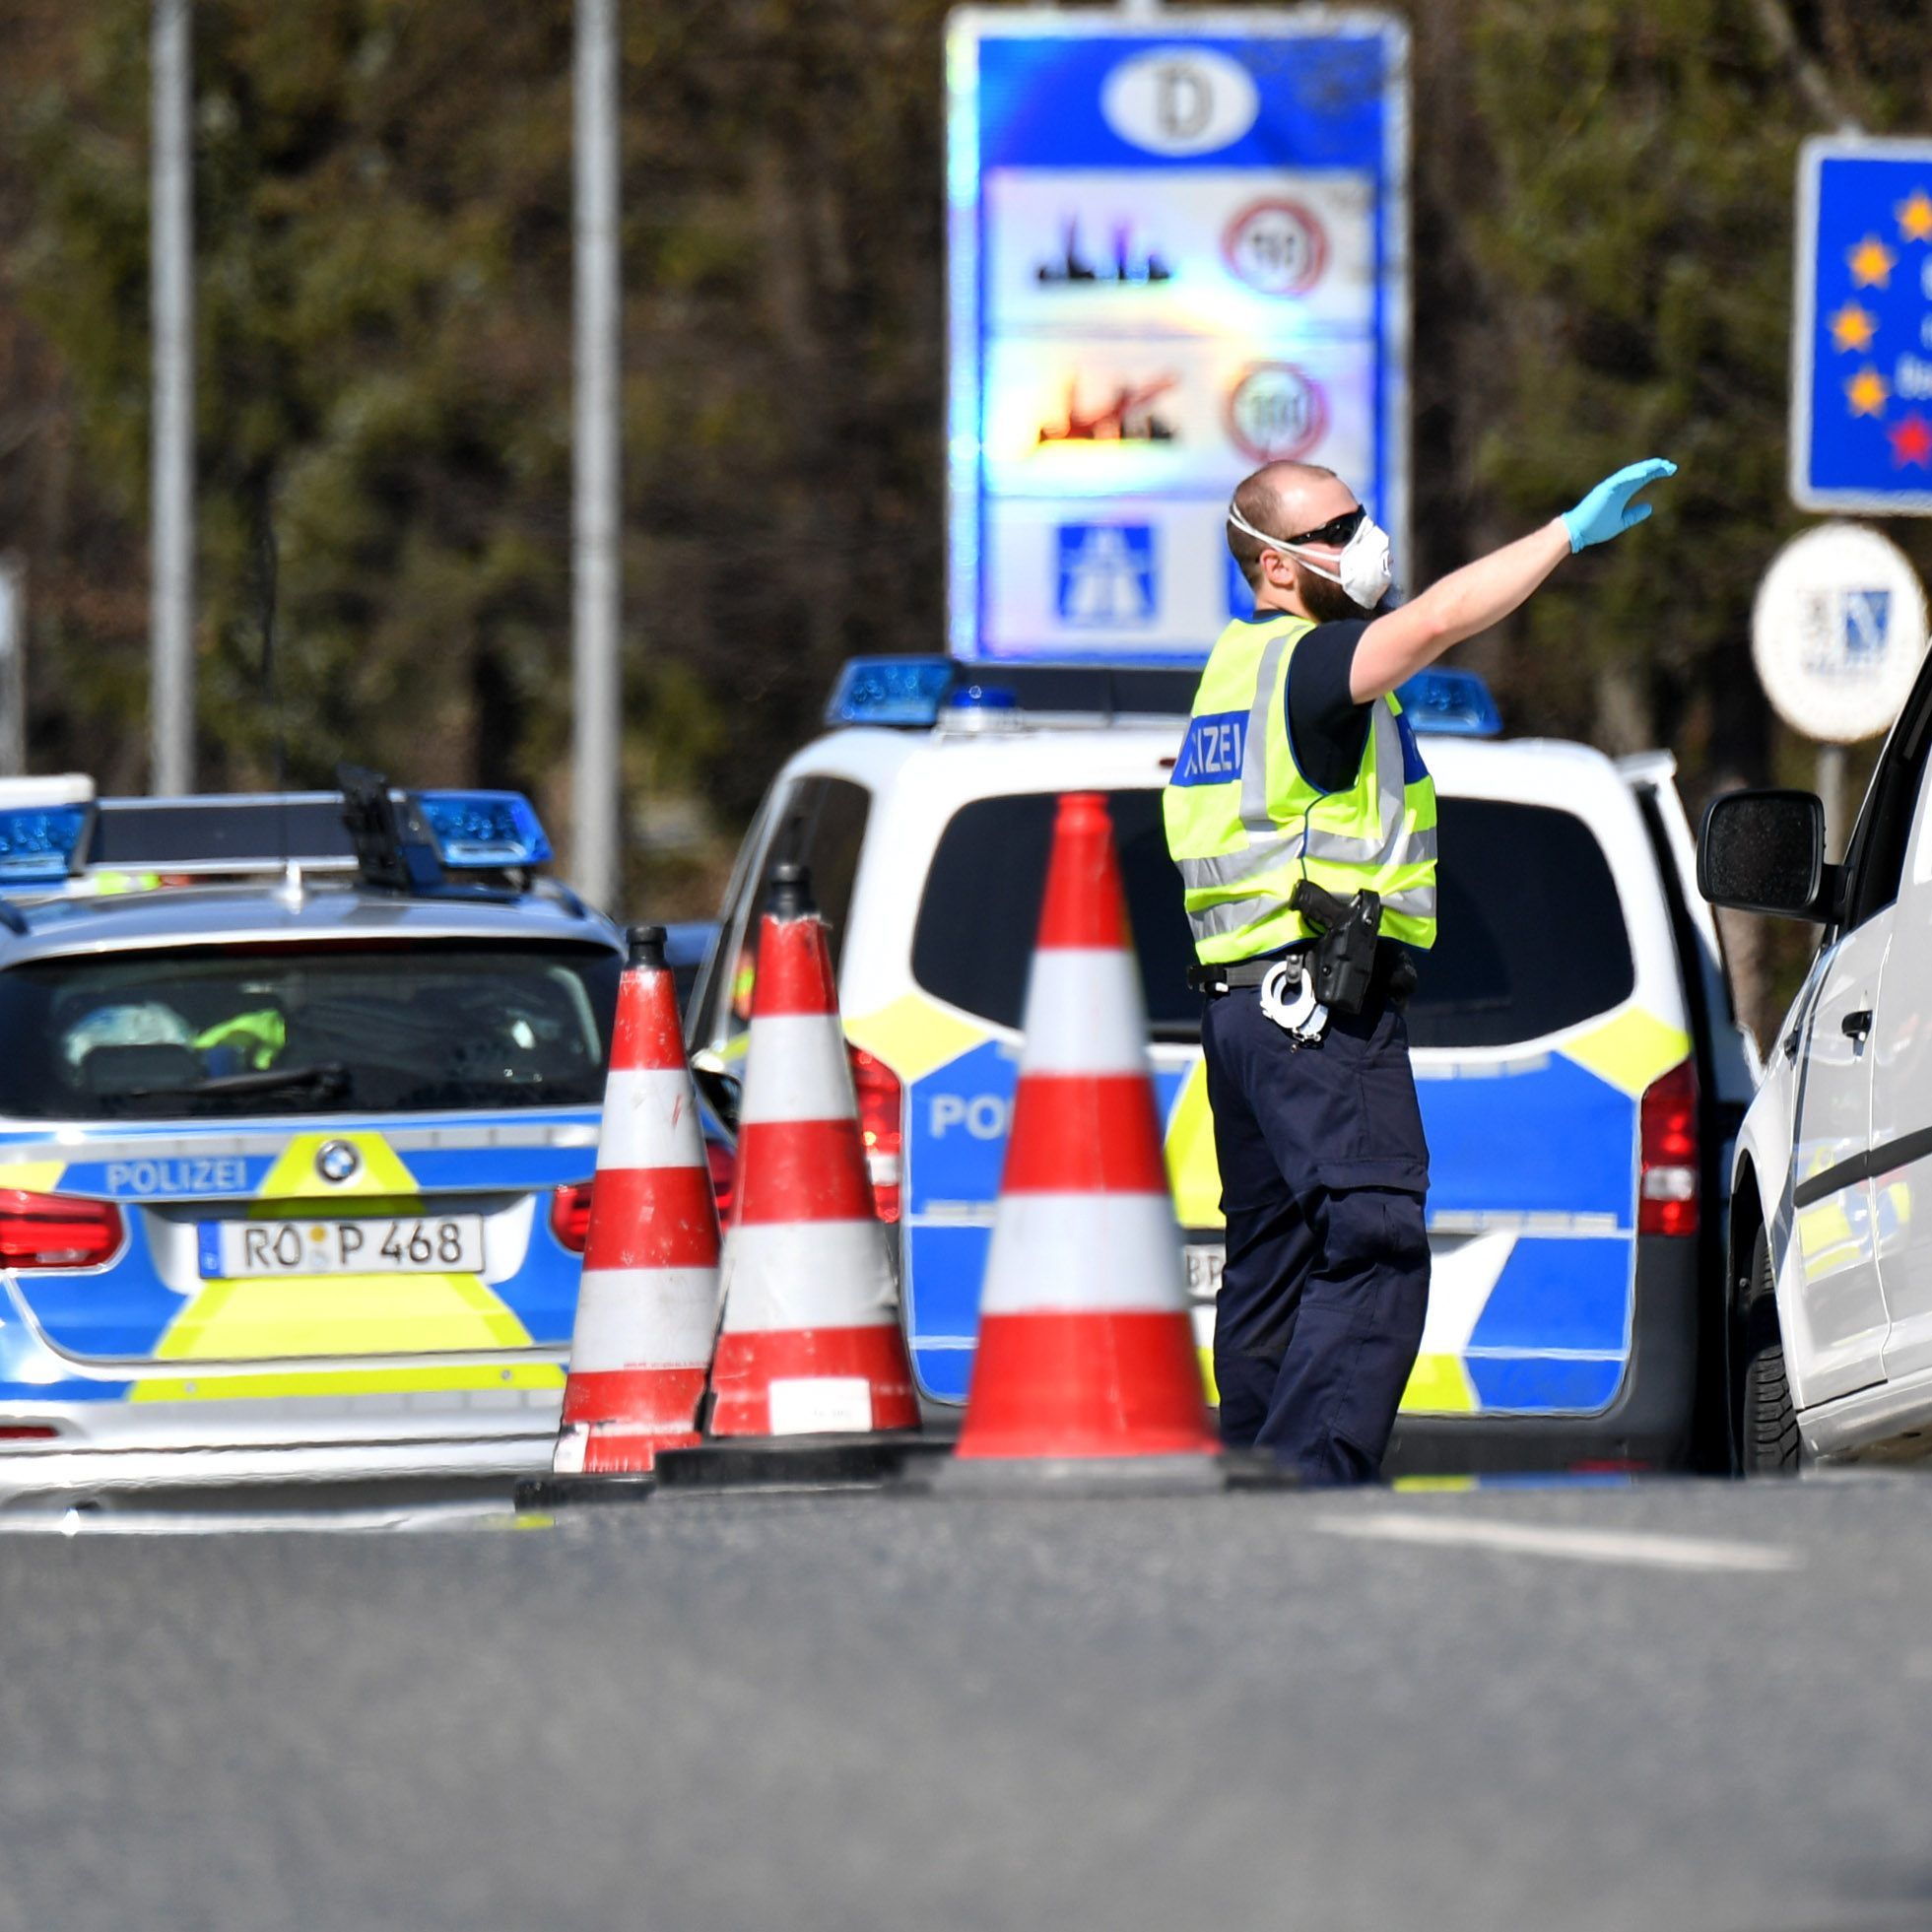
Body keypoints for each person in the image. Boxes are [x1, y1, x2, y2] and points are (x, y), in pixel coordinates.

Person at [1162, 456, 1675, 1482]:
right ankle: (1310, 1477)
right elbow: (1438, 618)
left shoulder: (1232, 674)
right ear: (1272, 567)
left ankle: (1251, 1478)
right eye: (1335, 527)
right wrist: (1564, 531)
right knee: (1373, 1238)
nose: (1364, 539)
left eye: (1359, 514)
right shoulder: (1308, 668)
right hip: (1313, 1015)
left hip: (1244, 1012)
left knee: (1274, 1264)